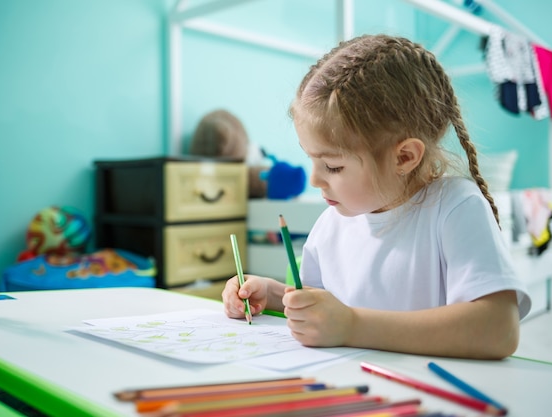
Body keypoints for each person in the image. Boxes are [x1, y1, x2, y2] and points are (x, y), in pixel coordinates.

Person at [222, 34, 531, 360]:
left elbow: (500, 330)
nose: (314, 179)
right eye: (311, 159)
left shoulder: (455, 208)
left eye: (332, 166)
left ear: (404, 157)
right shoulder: (332, 223)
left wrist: (353, 326)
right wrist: (272, 294)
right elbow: (325, 308)